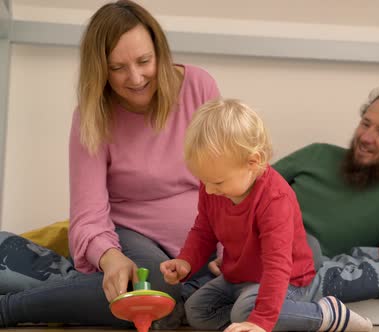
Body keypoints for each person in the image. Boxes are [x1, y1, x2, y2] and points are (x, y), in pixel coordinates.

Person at [0, 0, 219, 327]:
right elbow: (87, 215)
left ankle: (63, 291)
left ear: (159, 51)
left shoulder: (198, 86)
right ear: (100, 69)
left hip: (202, 240)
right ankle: (9, 308)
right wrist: (111, 257)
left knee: (288, 257)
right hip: (128, 235)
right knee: (153, 292)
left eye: (144, 61)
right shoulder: (91, 116)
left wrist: (234, 243)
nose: (136, 77)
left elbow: (226, 175)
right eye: (118, 68)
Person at [160, 98, 373, 332]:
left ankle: (326, 315)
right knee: (197, 312)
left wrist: (260, 321)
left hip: (287, 280)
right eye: (204, 181)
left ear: (254, 162)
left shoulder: (274, 199)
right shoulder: (213, 186)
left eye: (217, 182)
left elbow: (277, 265)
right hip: (238, 278)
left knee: (246, 312)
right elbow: (203, 231)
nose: (209, 190)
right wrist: (185, 261)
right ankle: (253, 320)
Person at [273, 78, 379, 263]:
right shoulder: (316, 155)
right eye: (366, 124)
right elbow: (252, 189)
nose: (366, 137)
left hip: (301, 273)